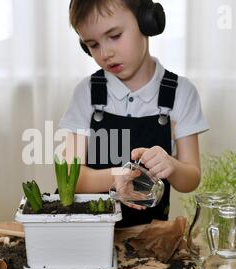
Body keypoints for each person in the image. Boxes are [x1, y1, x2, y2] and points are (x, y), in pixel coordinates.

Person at [59, 0, 209, 228]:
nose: (106, 53)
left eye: (115, 36)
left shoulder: (181, 92)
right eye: (93, 45)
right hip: (92, 233)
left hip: (151, 237)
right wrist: (117, 175)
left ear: (147, 22)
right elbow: (71, 177)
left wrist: (172, 165)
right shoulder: (86, 92)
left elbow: (191, 179)